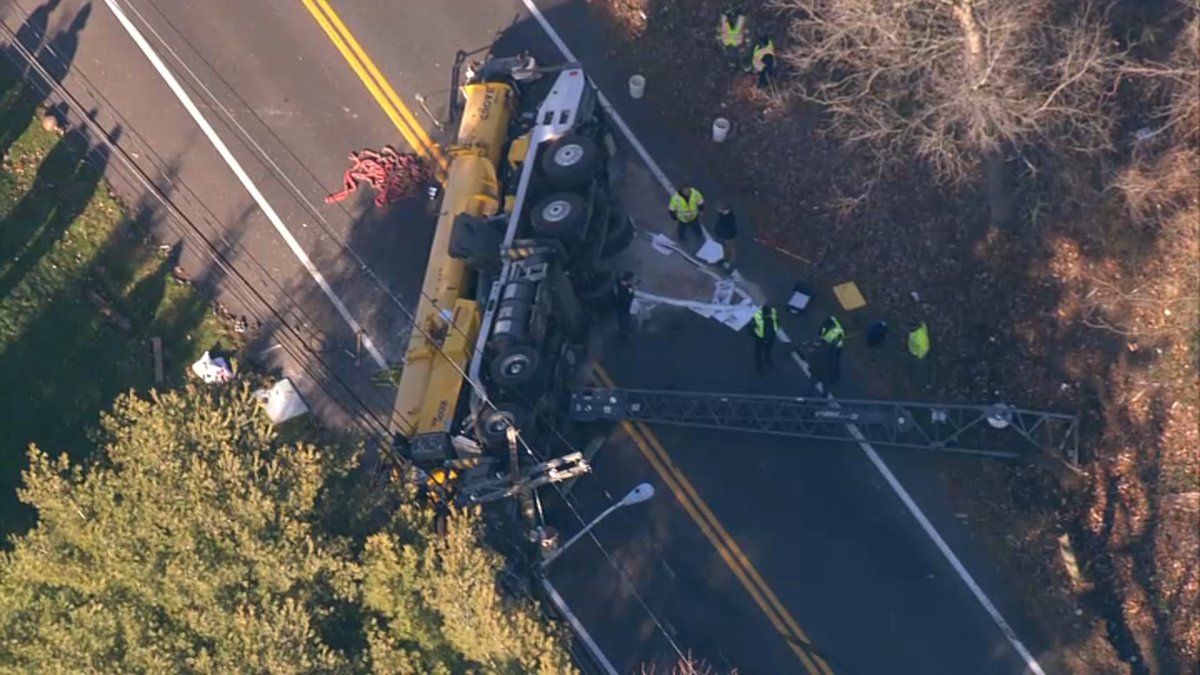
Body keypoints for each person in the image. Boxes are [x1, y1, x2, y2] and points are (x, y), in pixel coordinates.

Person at [750, 303, 780, 374]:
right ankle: (759, 368)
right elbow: (751, 327)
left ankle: (767, 358)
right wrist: (754, 334)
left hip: (770, 336)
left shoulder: (773, 312)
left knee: (769, 348)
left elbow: (777, 321)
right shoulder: (757, 316)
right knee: (758, 353)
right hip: (760, 338)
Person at [713, 203, 738, 269]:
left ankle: (732, 265)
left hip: (728, 237)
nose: (717, 210)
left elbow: (729, 228)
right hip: (723, 235)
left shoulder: (729, 218)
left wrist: (725, 236)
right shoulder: (722, 214)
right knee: (725, 249)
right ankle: (726, 259)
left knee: (731, 250)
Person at [614, 272, 637, 342]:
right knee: (625, 321)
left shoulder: (619, 283)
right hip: (624, 306)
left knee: (621, 321)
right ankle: (623, 336)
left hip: (619, 305)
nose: (633, 280)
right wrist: (633, 290)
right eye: (632, 279)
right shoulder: (627, 287)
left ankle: (621, 334)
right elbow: (630, 296)